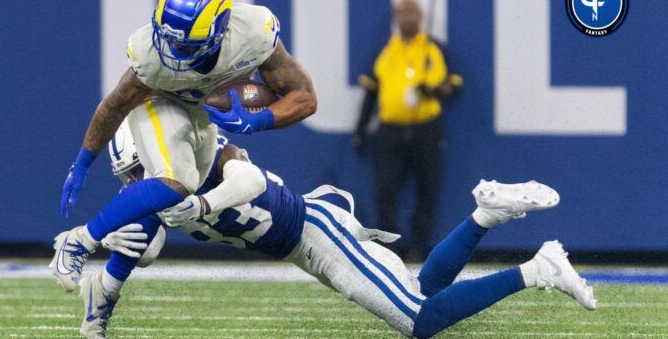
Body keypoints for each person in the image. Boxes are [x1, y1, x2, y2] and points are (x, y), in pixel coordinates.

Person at [78, 123, 595, 338]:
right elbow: (150, 245)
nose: (138, 183)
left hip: (316, 232)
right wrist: (129, 249)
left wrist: (201, 203)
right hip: (307, 243)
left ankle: (537, 269)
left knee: (420, 320)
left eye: (140, 172)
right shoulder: (158, 194)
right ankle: (486, 215)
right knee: (422, 293)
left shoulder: (209, 155)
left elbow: (251, 178)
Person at [50, 0, 317, 292]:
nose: (173, 50)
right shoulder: (150, 54)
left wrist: (257, 121)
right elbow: (114, 106)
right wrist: (82, 164)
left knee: (184, 187)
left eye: (185, 44)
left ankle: (99, 283)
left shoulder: (254, 32)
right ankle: (80, 242)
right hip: (163, 105)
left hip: (204, 117)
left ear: (220, 31)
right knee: (177, 181)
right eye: (169, 39)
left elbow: (304, 97)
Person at [353, 0, 463, 260]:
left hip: (427, 127)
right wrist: (360, 128)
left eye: (411, 11)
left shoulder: (434, 48)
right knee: (386, 189)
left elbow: (454, 85)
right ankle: (389, 246)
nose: (407, 16)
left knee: (427, 188)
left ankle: (418, 246)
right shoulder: (386, 50)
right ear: (394, 16)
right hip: (390, 128)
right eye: (402, 11)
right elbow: (371, 92)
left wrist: (434, 91)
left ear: (421, 15)